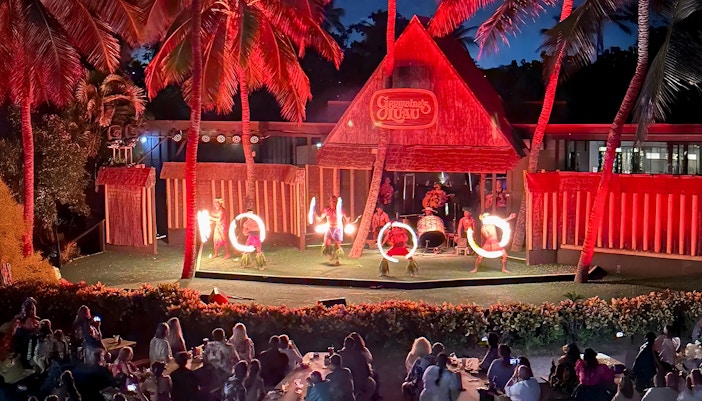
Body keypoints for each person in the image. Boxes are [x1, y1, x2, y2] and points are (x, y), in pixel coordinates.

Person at [316, 195, 349, 266]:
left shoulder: (340, 210)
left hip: (338, 228)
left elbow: (347, 218)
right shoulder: (326, 210)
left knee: (337, 245)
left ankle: (337, 259)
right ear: (329, 202)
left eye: (334, 201)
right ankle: (330, 254)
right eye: (331, 201)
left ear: (336, 202)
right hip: (329, 227)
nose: (332, 202)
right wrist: (315, 215)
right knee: (327, 244)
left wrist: (349, 222)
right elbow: (320, 218)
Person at [339, 336, 375, 401]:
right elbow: (368, 372)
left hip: (345, 384)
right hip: (360, 383)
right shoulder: (361, 356)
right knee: (372, 383)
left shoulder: (339, 355)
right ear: (354, 345)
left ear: (344, 344)